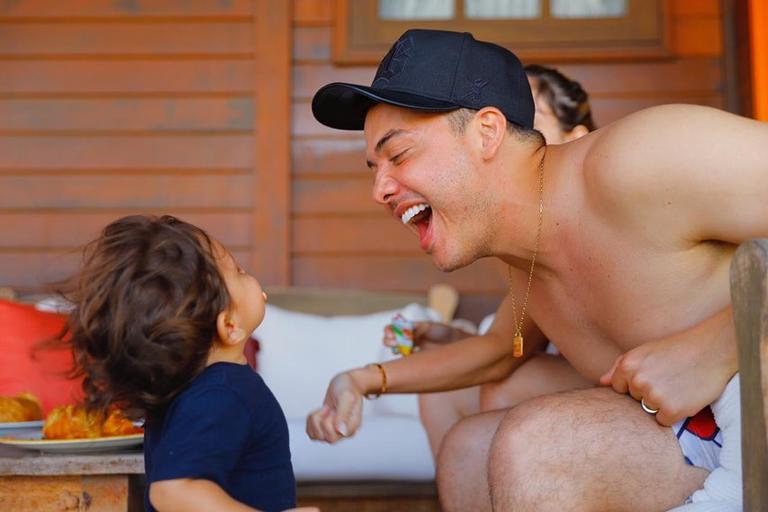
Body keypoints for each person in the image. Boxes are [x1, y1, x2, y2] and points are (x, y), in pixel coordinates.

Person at [307, 29, 766, 511]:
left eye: (398, 155)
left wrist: (716, 347)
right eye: (372, 167)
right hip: (701, 437)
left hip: (751, 412)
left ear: (487, 132)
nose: (379, 190)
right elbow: (498, 353)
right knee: (470, 448)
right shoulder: (525, 257)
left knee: (536, 444)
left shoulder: (639, 161)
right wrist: (365, 378)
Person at [59, 215, 315, 512]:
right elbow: (172, 492)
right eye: (240, 271)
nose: (249, 275)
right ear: (229, 325)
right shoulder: (222, 395)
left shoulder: (197, 387)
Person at [407, 63, 597, 458]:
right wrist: (454, 340)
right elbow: (512, 344)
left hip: (653, 383)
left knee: (505, 388)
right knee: (441, 396)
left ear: (576, 138)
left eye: (528, 121)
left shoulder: (603, 202)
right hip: (583, 374)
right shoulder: (521, 233)